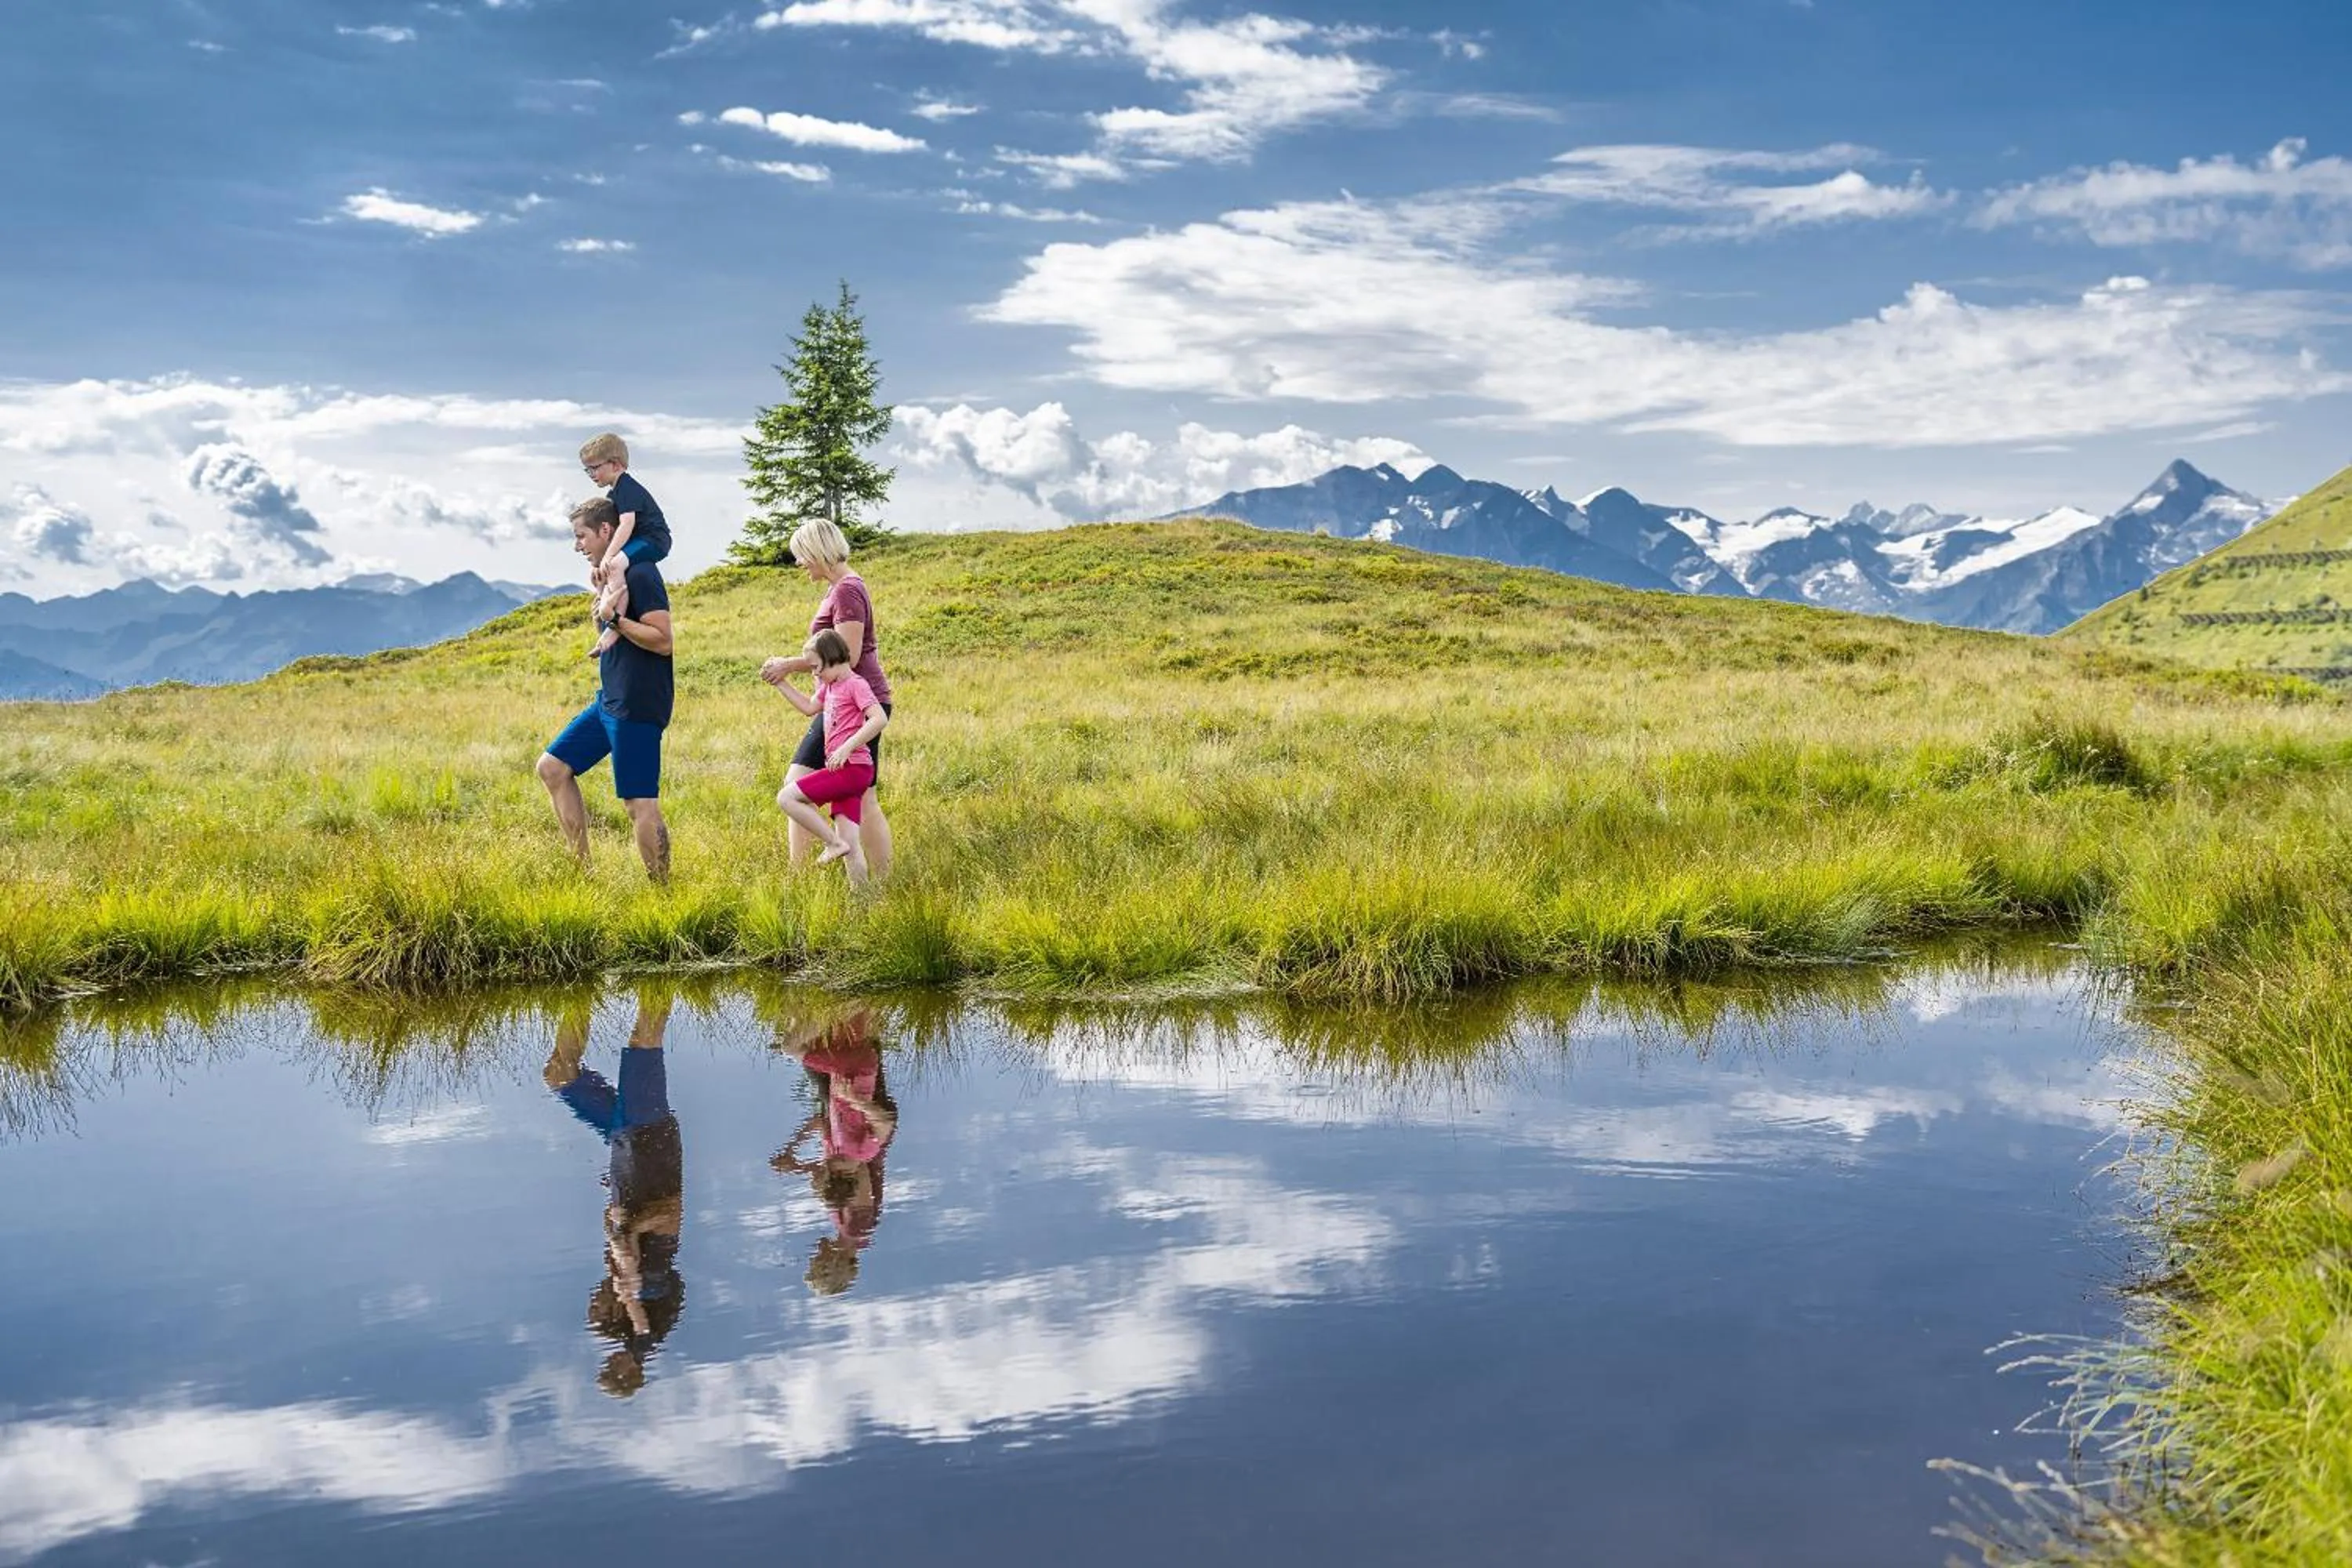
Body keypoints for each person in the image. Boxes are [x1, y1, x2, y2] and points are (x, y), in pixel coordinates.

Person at [544, 993, 685, 1397]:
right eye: (598, 1305)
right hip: (649, 1139)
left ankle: (578, 991)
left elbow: (619, 1216)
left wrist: (617, 1212)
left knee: (559, 1075)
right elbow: (670, 1212)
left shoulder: (622, 1268)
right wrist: (637, 1325)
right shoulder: (650, 1276)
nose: (595, 1297)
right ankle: (661, 975)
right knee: (644, 1041)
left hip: (623, 1141)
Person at [536, 495, 674, 880]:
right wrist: (602, 604)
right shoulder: (611, 576)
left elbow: (663, 641)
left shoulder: (642, 574)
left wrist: (614, 620)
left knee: (638, 803)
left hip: (637, 703)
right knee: (552, 768)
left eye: (581, 536)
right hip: (610, 700)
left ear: (605, 530)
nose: (577, 546)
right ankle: (584, 874)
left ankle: (664, 892)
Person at [759, 519, 895, 879]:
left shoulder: (847, 591)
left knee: (854, 795)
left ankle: (860, 877)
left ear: (818, 551)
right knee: (836, 791)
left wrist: (788, 665)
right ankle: (813, 874)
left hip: (857, 705)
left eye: (801, 555)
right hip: (838, 702)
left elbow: (847, 655)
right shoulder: (838, 588)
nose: (798, 563)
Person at [771, 1008, 897, 1298]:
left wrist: (796, 1163)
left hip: (857, 1120)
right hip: (866, 1120)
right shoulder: (857, 1228)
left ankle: (836, 1007)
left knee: (830, 1051)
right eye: (818, 1263)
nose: (815, 1255)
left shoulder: (845, 1226)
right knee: (811, 1052)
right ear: (834, 1264)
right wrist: (800, 1163)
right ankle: (838, 1007)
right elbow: (855, 1169)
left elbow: (835, 1163)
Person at [766, 628, 887, 887]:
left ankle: (832, 843)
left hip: (852, 768)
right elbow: (809, 707)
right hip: (847, 770)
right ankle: (864, 902)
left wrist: (846, 748)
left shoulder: (856, 684)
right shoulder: (830, 686)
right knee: (851, 844)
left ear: (831, 658)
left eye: (816, 667)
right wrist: (780, 682)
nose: (814, 673)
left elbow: (879, 718)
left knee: (786, 797)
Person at [579, 433, 672, 658]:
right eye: (587, 470)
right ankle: (605, 609)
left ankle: (613, 626)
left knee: (615, 565)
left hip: (653, 539)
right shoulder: (614, 492)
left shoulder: (627, 487)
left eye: (595, 468)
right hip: (640, 540)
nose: (592, 474)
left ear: (616, 464)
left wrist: (609, 556)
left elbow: (627, 524)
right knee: (611, 568)